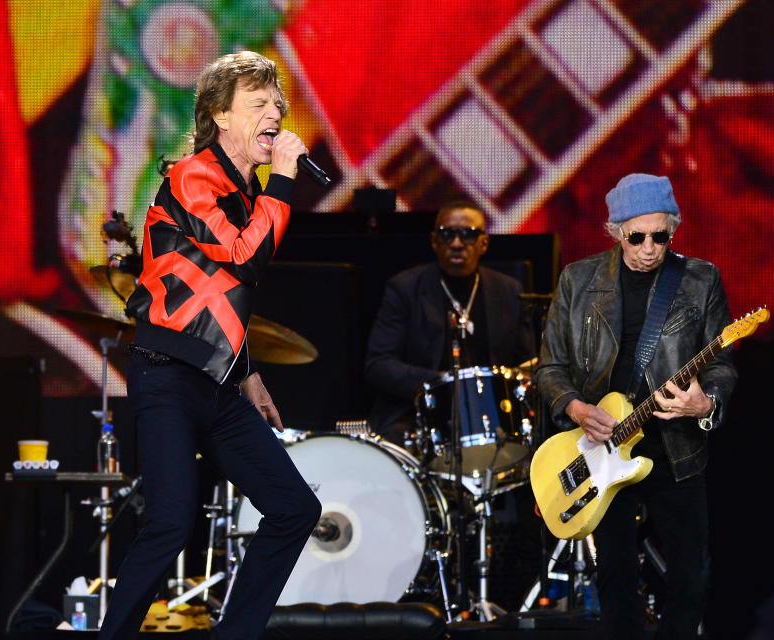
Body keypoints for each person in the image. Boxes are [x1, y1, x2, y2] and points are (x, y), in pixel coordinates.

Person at [98, 51, 321, 640]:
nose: (276, 112)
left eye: (278, 103)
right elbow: (245, 259)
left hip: (216, 385)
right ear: (221, 116)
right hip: (165, 374)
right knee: (171, 523)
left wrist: (247, 373)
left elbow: (215, 294)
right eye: (259, 103)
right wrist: (285, 181)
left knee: (296, 508)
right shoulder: (194, 175)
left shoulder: (248, 195)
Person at [535, 173, 738, 639]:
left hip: (675, 450)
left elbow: (722, 365)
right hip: (600, 446)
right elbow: (550, 369)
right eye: (637, 236)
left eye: (661, 236)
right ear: (615, 231)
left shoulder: (699, 280)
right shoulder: (578, 280)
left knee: (691, 581)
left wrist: (704, 403)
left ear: (673, 230)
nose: (650, 247)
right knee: (617, 582)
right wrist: (579, 410)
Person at [364, 200, 534, 444]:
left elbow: (527, 362)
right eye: (447, 235)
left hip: (494, 417)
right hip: (419, 414)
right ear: (434, 241)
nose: (456, 244)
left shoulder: (509, 291)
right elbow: (378, 365)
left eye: (468, 235)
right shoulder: (405, 288)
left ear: (484, 243)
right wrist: (442, 384)